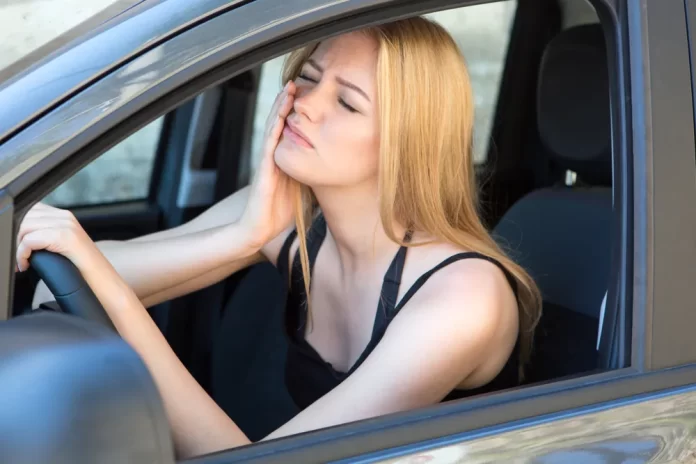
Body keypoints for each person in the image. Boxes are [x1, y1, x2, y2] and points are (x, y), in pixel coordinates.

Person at [19, 16, 541, 459]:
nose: (307, 104)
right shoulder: (292, 218)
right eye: (308, 78)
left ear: (408, 143)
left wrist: (97, 275)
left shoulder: (463, 298)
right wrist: (244, 238)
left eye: (349, 103)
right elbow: (58, 290)